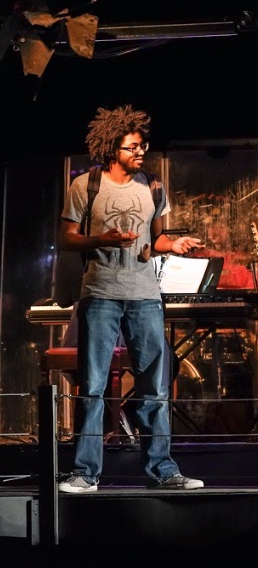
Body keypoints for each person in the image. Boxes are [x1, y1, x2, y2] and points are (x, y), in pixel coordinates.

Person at [57, 105, 206, 493]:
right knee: (93, 386)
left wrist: (173, 244)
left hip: (145, 297)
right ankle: (85, 473)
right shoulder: (85, 186)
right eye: (133, 146)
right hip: (101, 294)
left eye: (143, 145)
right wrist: (101, 240)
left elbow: (154, 240)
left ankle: (164, 471)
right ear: (112, 150)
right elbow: (66, 238)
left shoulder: (152, 186)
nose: (141, 151)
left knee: (154, 385)